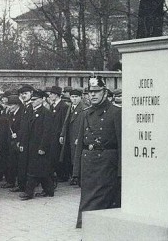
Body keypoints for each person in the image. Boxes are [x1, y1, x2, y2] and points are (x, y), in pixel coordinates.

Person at [73, 76, 121, 228]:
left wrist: (121, 172)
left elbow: (121, 143)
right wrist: (76, 170)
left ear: (105, 93)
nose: (92, 95)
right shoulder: (86, 113)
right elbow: (80, 142)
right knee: (87, 200)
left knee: (103, 204)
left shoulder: (115, 112)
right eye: (89, 92)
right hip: (88, 163)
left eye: (96, 91)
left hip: (107, 165)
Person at [19, 89, 55, 200]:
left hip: (40, 146)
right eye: (32, 99)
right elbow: (26, 129)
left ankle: (29, 192)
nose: (32, 101)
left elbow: (47, 132)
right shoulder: (31, 111)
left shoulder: (46, 113)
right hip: (31, 145)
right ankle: (49, 190)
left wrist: (43, 147)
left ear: (42, 99)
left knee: (33, 170)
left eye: (35, 99)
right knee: (42, 170)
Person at [59, 88, 86, 185]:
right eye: (72, 97)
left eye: (76, 97)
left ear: (80, 97)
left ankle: (77, 177)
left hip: (76, 135)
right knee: (69, 155)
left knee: (77, 156)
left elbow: (84, 124)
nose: (74, 99)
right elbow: (66, 122)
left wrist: (80, 137)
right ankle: (73, 176)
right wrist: (62, 134)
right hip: (69, 135)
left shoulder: (83, 108)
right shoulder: (70, 107)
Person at [10, 84, 34, 193]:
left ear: (31, 94)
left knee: (27, 165)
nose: (24, 96)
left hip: (30, 141)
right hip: (22, 140)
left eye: (26, 93)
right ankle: (22, 185)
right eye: (22, 94)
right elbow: (22, 127)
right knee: (21, 164)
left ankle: (26, 187)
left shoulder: (32, 107)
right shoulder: (25, 107)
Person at [48, 86, 70, 183]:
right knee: (54, 154)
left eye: (52, 94)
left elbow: (64, 122)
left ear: (56, 95)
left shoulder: (63, 106)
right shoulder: (53, 106)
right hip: (52, 134)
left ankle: (63, 175)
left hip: (58, 134)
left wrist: (62, 134)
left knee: (59, 154)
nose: (50, 96)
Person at [2, 95, 23, 189]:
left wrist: (17, 135)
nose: (9, 107)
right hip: (11, 142)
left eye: (11, 105)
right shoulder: (10, 114)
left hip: (19, 142)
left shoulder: (22, 114)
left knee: (19, 164)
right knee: (11, 163)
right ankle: (11, 181)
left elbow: (24, 128)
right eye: (8, 105)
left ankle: (20, 183)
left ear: (17, 105)